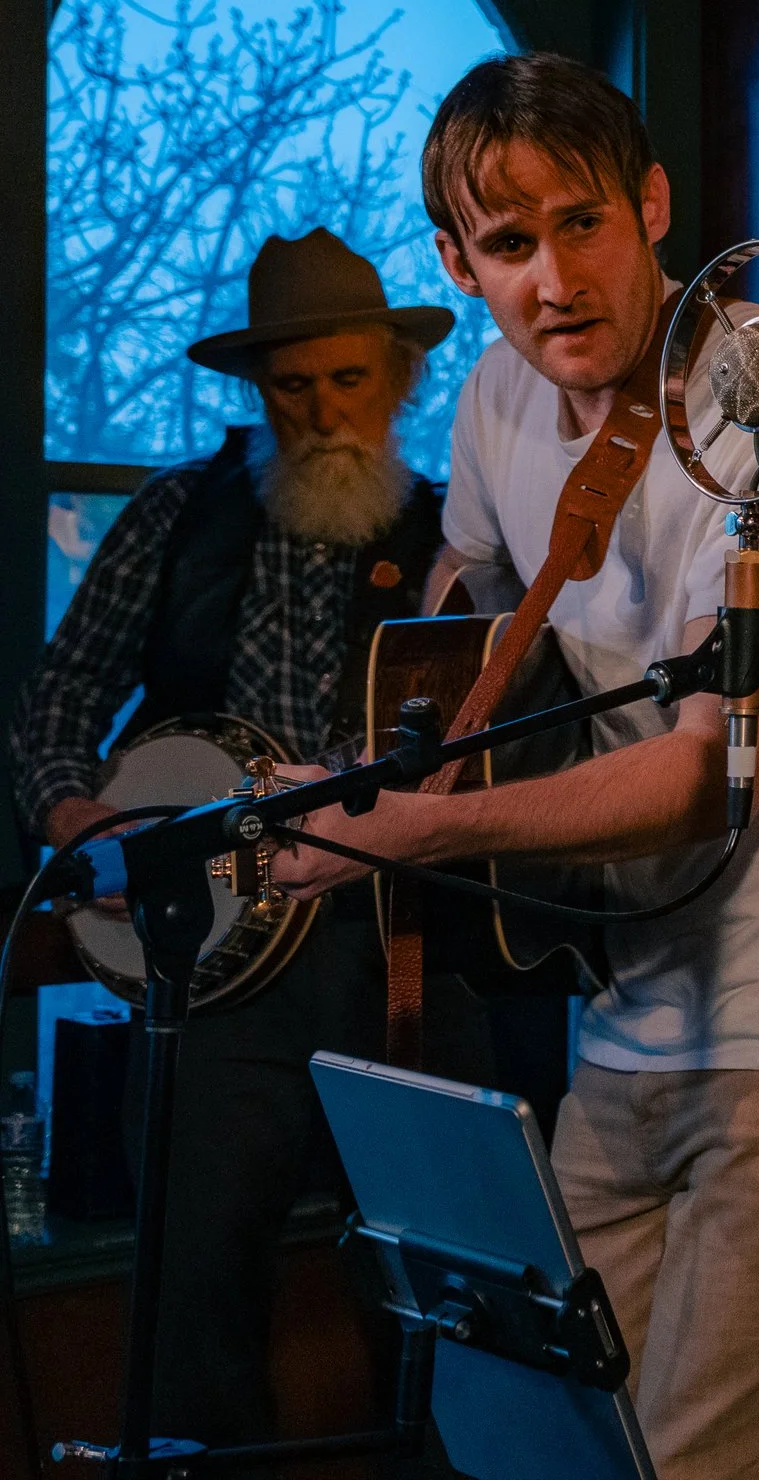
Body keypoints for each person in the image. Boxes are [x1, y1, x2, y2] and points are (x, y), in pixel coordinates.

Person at [268, 52, 759, 1480]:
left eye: (581, 222)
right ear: (458, 264)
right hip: (632, 1009)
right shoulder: (495, 402)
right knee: (539, 1443)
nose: (554, 280)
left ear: (651, 206)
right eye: (509, 244)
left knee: (714, 1461)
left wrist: (401, 835)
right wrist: (387, 756)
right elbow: (469, 611)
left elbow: (712, 775)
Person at [11, 228, 457, 1456]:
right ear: (257, 387)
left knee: (438, 1291)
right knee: (193, 1297)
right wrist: (80, 818)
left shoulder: (453, 539)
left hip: (392, 955)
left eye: (349, 378)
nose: (323, 410)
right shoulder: (175, 512)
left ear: (400, 378)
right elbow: (59, 697)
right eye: (292, 384)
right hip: (207, 975)